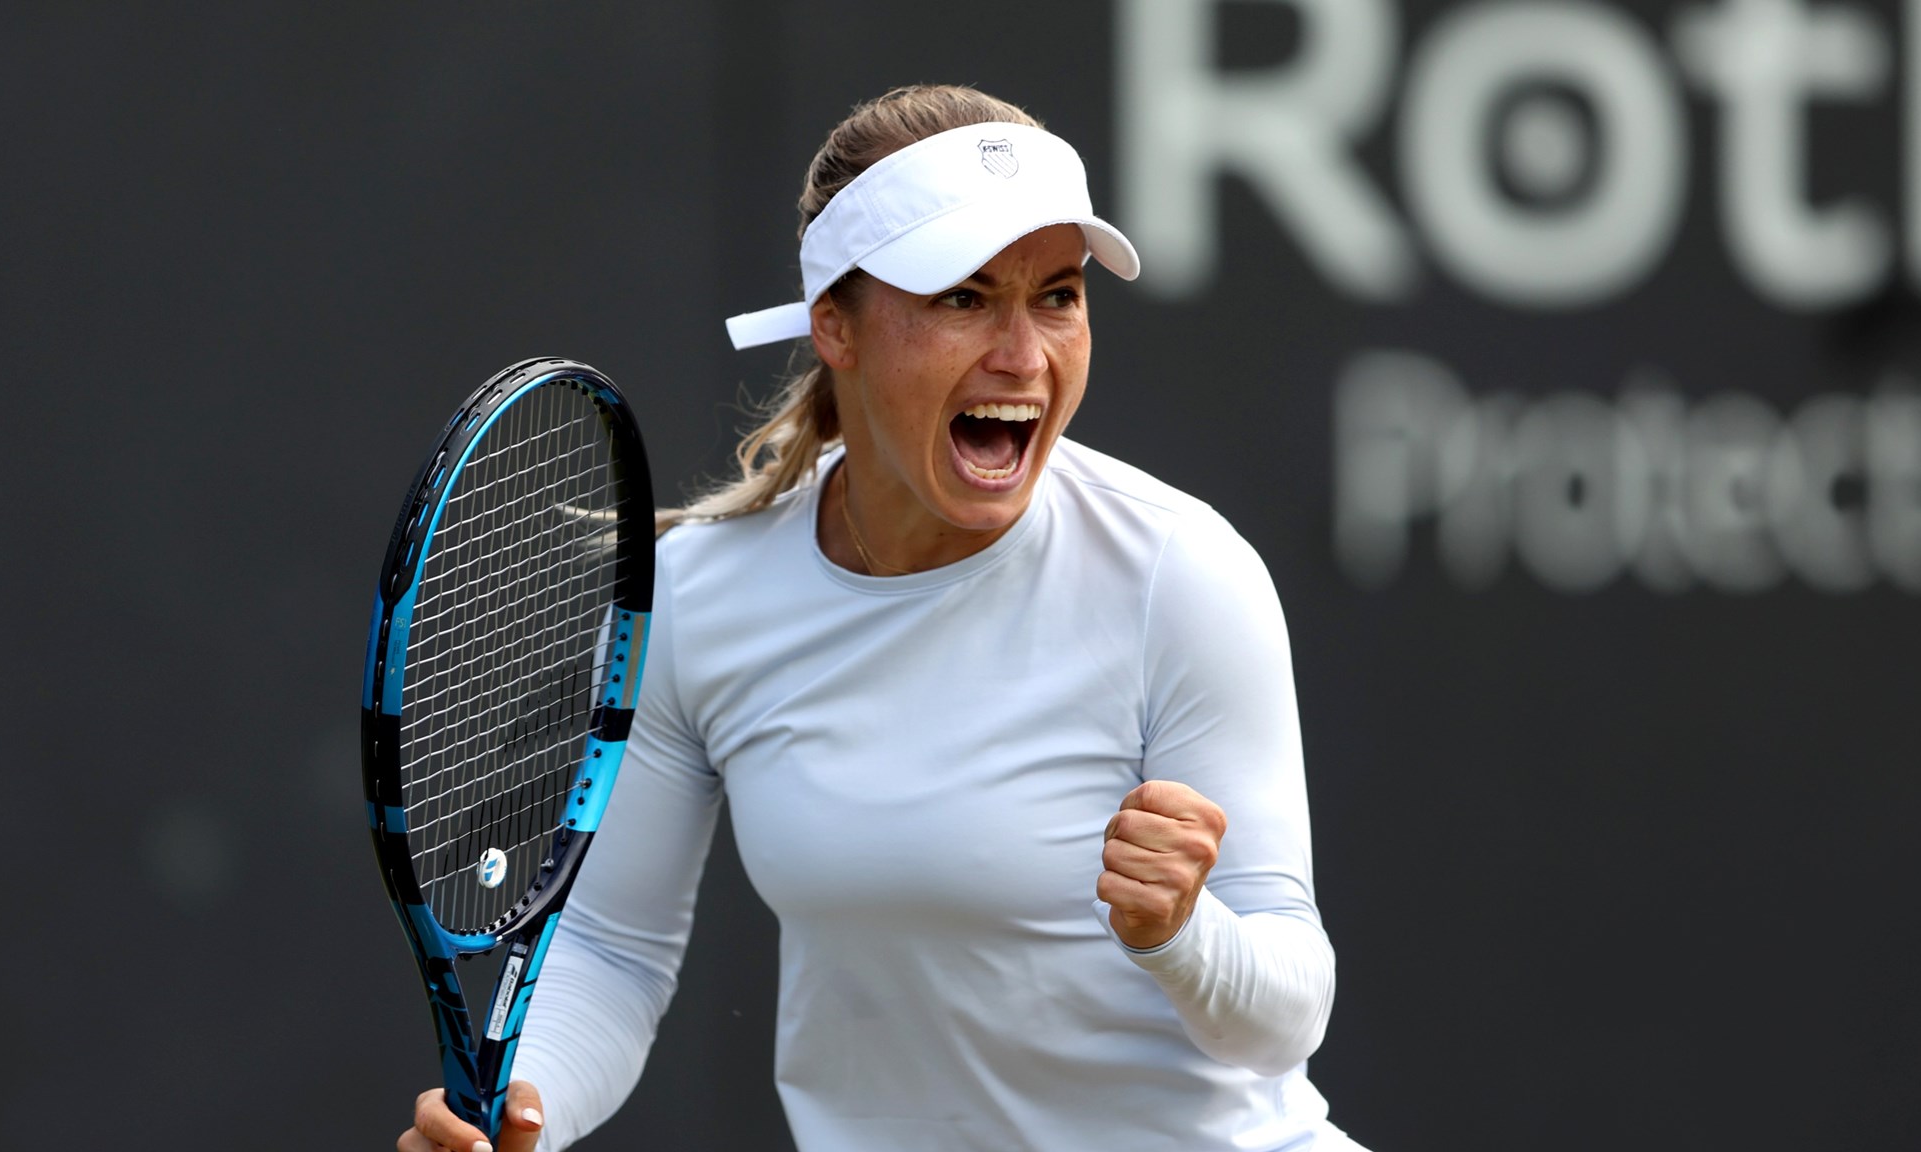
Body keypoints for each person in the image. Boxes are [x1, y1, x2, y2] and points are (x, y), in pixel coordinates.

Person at [399, 84, 1365, 1152]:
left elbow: (1286, 1016)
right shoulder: (699, 597)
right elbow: (612, 953)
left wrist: (1182, 933)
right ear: (834, 326)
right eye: (961, 297)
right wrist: (523, 1110)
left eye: (1056, 295)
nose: (1023, 355)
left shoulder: (1179, 573)